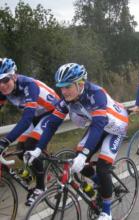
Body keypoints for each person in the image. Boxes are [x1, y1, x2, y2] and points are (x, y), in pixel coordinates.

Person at [26, 63, 128, 220]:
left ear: (80, 84)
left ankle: (107, 212)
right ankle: (101, 184)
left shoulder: (96, 93)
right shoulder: (68, 99)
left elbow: (99, 124)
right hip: (98, 127)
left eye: (67, 87)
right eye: (61, 87)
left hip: (116, 128)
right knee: (78, 161)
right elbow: (53, 123)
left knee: (102, 167)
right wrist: (38, 149)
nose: (64, 91)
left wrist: (84, 153)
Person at [0, 58, 60, 206]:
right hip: (35, 116)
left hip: (52, 113)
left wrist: (4, 141)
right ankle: (39, 171)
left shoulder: (29, 85)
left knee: (30, 146)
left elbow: (26, 119)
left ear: (14, 75)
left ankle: (40, 187)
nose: (2, 85)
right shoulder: (2, 89)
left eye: (5, 79)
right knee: (20, 150)